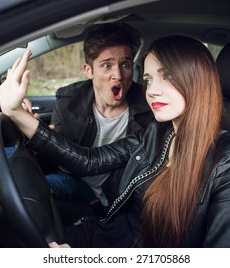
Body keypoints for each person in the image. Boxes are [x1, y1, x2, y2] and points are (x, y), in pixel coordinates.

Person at [0, 35, 230, 247]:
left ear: (196, 78)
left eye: (166, 76)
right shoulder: (157, 133)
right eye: (148, 80)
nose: (151, 90)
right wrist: (16, 113)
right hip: (104, 235)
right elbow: (88, 161)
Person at [40, 23, 154, 210]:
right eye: (106, 65)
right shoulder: (68, 100)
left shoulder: (150, 106)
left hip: (119, 188)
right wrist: (34, 132)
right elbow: (54, 153)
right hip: (76, 179)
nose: (118, 75)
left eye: (125, 64)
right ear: (89, 70)